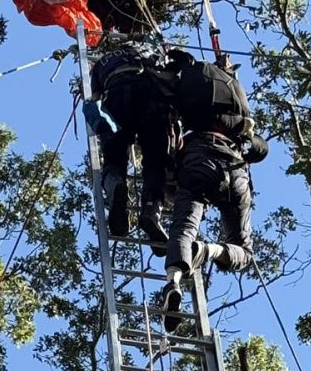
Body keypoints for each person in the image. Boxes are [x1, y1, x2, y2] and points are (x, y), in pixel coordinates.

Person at [159, 50, 269, 332]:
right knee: (245, 252)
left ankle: (174, 279)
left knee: (184, 226)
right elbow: (260, 148)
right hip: (237, 171)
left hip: (200, 159)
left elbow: (169, 137)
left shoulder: (189, 104)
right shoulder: (237, 111)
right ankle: (209, 250)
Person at [83, 40, 176, 248]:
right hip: (151, 96)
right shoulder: (150, 53)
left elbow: (96, 99)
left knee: (114, 157)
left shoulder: (101, 63)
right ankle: (151, 211)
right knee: (155, 161)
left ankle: (116, 183)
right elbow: (171, 79)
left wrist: (104, 127)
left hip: (116, 93)